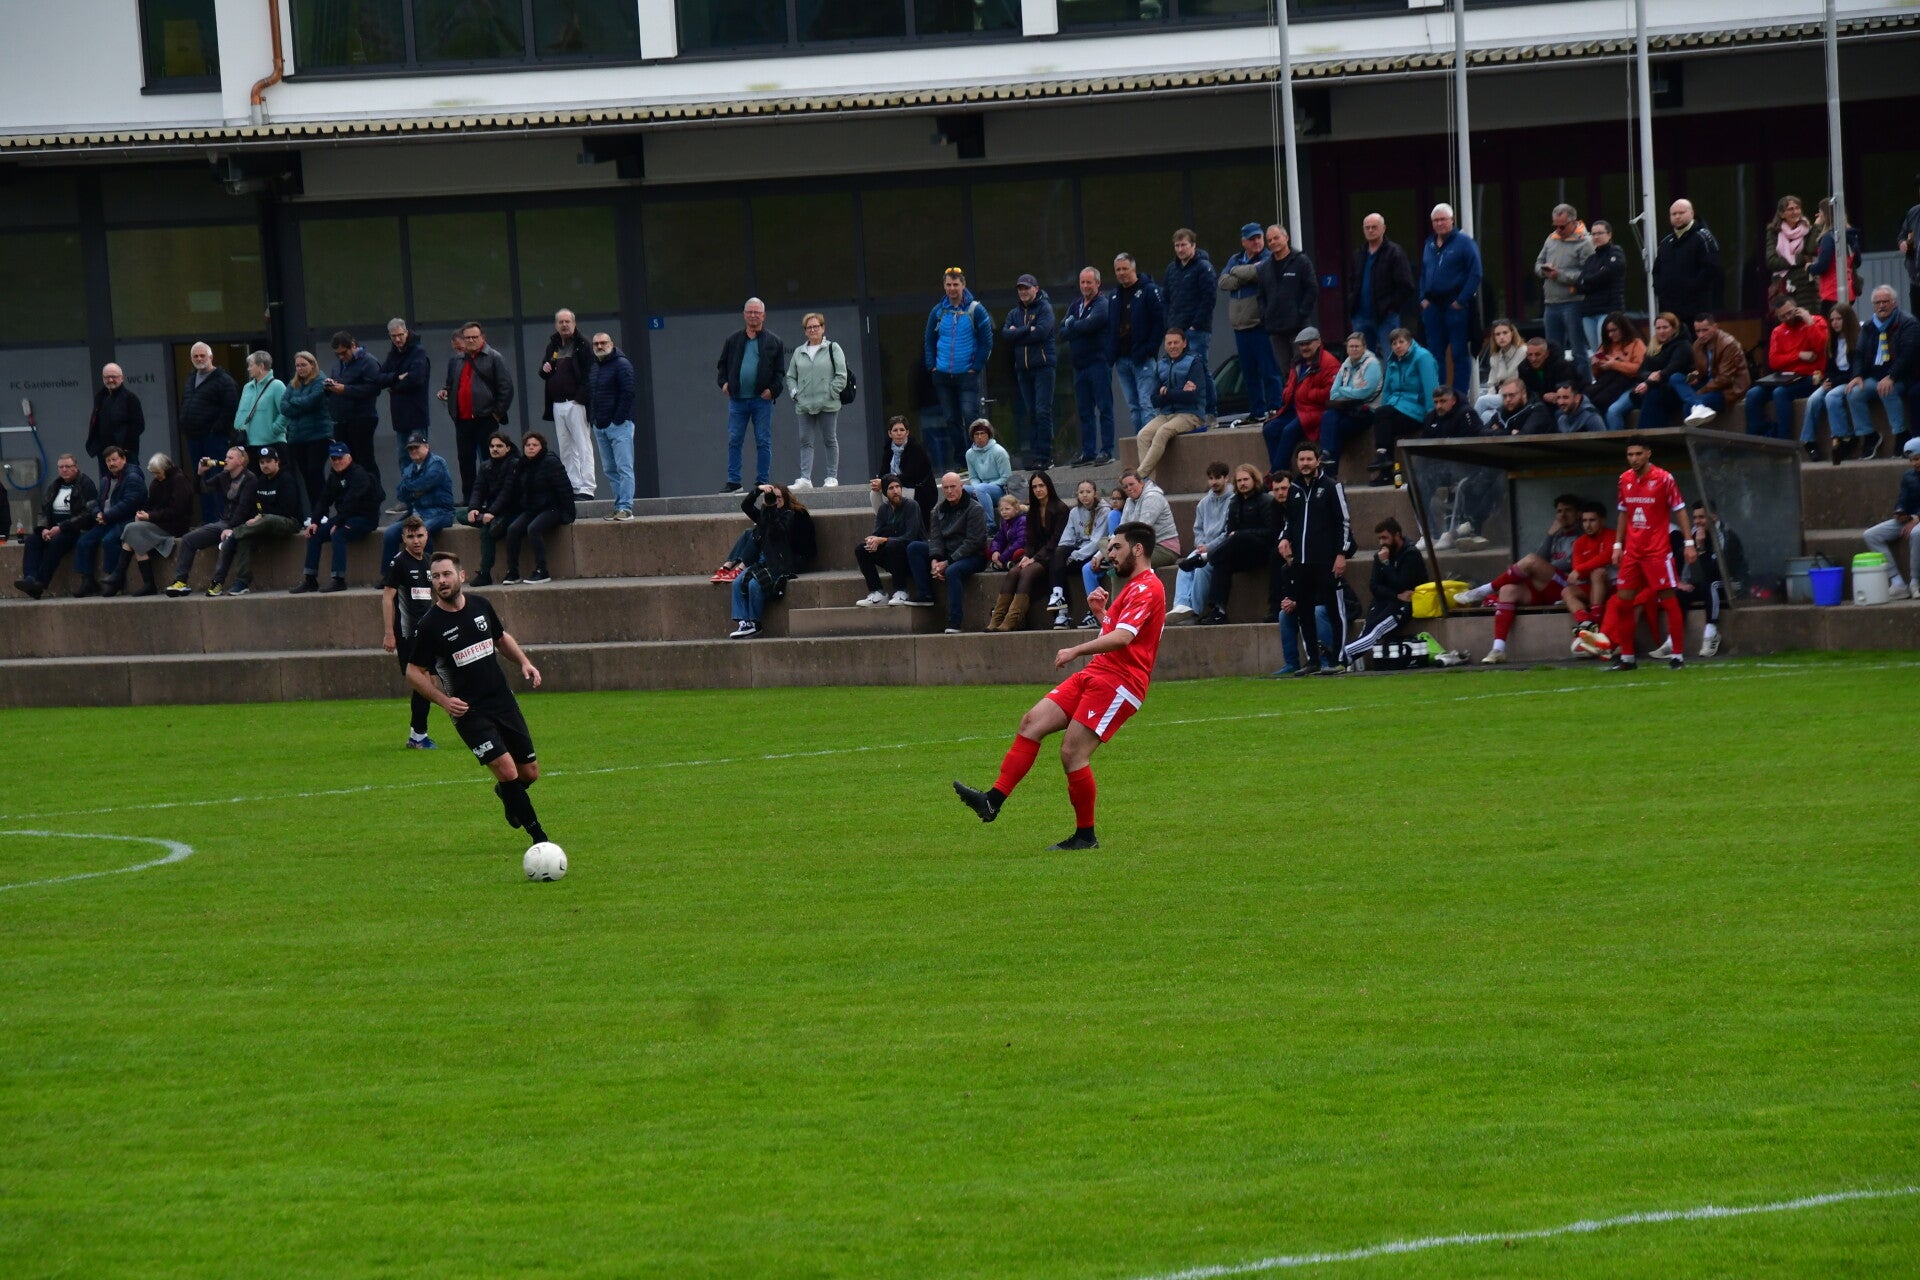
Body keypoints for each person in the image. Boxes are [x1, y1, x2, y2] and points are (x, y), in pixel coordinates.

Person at [952, 520, 1167, 851]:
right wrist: (1101, 613)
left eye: (1116, 547)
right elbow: (1117, 633)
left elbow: (1124, 639)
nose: (1110, 554)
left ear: (1138, 549)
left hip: (1120, 683)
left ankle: (1085, 836)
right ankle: (992, 801)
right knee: (1031, 722)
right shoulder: (1132, 587)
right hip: (1099, 673)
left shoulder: (1148, 588)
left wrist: (1075, 649)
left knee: (1072, 753)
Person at [405, 551, 553, 848]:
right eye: (435, 576)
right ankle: (540, 840)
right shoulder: (430, 625)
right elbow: (413, 671)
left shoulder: (481, 606)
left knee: (529, 773)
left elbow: (501, 638)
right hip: (468, 712)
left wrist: (524, 662)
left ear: (461, 576)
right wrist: (444, 701)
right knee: (507, 770)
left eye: (446, 574)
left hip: (502, 700)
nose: (441, 581)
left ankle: (507, 793)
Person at [1580, 439, 1696, 671]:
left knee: (1669, 600)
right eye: (1630, 454)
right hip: (1632, 552)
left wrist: (1689, 542)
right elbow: (1623, 513)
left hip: (1657, 552)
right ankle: (1627, 658)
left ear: (1648, 454)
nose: (1633, 459)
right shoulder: (1624, 479)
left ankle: (1677, 656)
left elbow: (1680, 510)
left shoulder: (1664, 478)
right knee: (1623, 603)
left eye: (1638, 454)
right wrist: (1617, 545)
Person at [1455, 493, 1582, 662]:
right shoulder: (1556, 536)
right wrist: (1550, 535)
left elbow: (1564, 564)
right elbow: (1541, 558)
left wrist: (1542, 567)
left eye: (1568, 510)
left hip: (1566, 587)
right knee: (1507, 590)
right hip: (1545, 587)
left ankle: (1486, 589)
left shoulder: (1582, 535)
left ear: (1578, 514)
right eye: (1559, 511)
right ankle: (1498, 649)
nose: (1563, 515)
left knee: (1531, 561)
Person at [1275, 442, 1354, 671]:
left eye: (1309, 459)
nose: (1305, 463)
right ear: (1297, 462)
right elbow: (1289, 521)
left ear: (1317, 460)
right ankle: (1313, 661)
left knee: (1334, 610)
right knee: (1305, 612)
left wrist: (1341, 553)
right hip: (1301, 562)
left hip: (1327, 560)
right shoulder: (1294, 489)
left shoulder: (1331, 486)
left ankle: (1339, 660)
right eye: (1301, 460)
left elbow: (1344, 522)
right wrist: (1284, 538)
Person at [207, 446, 307, 596]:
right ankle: (242, 582)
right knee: (245, 537)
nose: (265, 465)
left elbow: (288, 509)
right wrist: (257, 517)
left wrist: (261, 516)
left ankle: (234, 535)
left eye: (268, 461)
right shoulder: (260, 481)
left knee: (267, 519)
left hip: (288, 522)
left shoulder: (287, 479)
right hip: (263, 524)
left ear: (277, 462)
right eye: (262, 462)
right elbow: (257, 506)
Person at [1338, 517, 1433, 666]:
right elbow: (1374, 586)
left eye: (1385, 538)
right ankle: (1344, 660)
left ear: (1397, 535)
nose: (1381, 542)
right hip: (1385, 600)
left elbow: (1401, 584)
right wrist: (1395, 594)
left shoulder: (1411, 554)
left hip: (1404, 605)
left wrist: (1386, 564)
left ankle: (1339, 657)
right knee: (1366, 631)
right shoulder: (1381, 555)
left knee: (1375, 632)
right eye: (1379, 539)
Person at [292, 441, 383, 594]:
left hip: (364, 518)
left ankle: (339, 579)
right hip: (345, 516)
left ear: (349, 458)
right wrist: (315, 522)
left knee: (338, 534)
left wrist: (340, 522)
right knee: (314, 534)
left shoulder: (359, 474)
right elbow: (324, 499)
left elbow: (353, 501)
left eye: (340, 458)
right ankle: (310, 579)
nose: (337, 461)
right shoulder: (334, 476)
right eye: (334, 458)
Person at [163, 447, 257, 596]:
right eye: (226, 457)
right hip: (224, 522)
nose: (226, 460)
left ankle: (217, 583)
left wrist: (231, 527)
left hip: (242, 524)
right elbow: (201, 490)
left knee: (226, 542)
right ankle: (181, 582)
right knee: (188, 539)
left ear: (241, 461)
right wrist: (200, 473)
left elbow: (243, 508)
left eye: (230, 458)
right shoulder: (224, 476)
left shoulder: (250, 479)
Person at [726, 483, 815, 638]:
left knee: (754, 584)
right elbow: (746, 506)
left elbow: (776, 530)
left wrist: (770, 509)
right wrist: (757, 491)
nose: (776, 500)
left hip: (779, 562)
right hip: (763, 560)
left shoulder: (789, 515)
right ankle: (744, 622)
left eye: (779, 497)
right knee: (737, 583)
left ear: (785, 498)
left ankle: (755, 623)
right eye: (773, 497)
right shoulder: (764, 514)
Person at [924, 269, 993, 467]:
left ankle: (978, 459)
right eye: (948, 285)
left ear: (963, 285)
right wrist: (932, 366)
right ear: (944, 286)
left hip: (967, 375)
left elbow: (987, 342)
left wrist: (976, 367)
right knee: (951, 419)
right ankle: (962, 461)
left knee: (970, 416)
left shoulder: (976, 310)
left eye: (956, 284)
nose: (952, 288)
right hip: (943, 375)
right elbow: (929, 340)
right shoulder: (938, 311)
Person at [439, 322, 515, 502]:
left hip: (485, 418)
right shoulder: (457, 360)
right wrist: (446, 394)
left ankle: (492, 498)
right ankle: (469, 499)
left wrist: (496, 414)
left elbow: (506, 388)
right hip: (462, 420)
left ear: (482, 338)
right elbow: (451, 384)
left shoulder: (494, 357)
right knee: (465, 461)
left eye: (475, 337)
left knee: (490, 459)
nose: (471, 340)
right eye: (467, 338)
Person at [715, 298, 785, 492]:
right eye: (750, 312)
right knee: (734, 440)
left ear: (764, 315)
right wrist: (724, 383)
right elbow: (722, 364)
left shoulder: (774, 341)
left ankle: (762, 482)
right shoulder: (733, 340)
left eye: (757, 312)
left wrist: (773, 391)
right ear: (744, 315)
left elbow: (779, 372)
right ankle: (734, 482)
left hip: (762, 401)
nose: (753, 315)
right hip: (737, 400)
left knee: (763, 441)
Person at [383, 516, 439, 750]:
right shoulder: (399, 563)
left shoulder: (429, 561)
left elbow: (434, 596)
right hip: (408, 633)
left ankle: (417, 735)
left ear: (427, 536)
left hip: (428, 633)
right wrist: (389, 633)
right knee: (423, 682)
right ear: (403, 538)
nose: (416, 541)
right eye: (411, 536)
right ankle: (418, 736)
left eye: (420, 536)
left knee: (430, 683)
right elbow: (388, 597)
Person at [1195, 462, 1275, 625]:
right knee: (1222, 561)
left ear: (1254, 480)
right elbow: (1230, 532)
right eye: (1239, 481)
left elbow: (1272, 532)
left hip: (1263, 550)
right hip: (1243, 552)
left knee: (1237, 537)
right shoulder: (1235, 503)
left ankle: (1207, 557)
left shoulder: (1266, 500)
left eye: (1246, 479)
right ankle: (1218, 611)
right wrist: (1238, 536)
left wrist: (1243, 534)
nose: (1242, 483)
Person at [1219, 223, 1283, 420]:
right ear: (1243, 242)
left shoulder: (1268, 257)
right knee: (1249, 373)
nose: (1257, 242)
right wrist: (1244, 273)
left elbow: (1259, 273)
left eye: (1259, 237)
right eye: (1252, 239)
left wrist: (1236, 272)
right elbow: (1223, 282)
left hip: (1259, 324)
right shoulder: (1235, 258)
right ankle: (1257, 412)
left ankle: (1276, 408)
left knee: (1269, 370)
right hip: (1240, 326)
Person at [996, 471, 1073, 632]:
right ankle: (997, 617)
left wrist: (1035, 558)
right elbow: (1030, 540)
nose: (1038, 490)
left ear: (1048, 486)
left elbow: (1056, 540)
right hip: (1036, 554)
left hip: (1054, 555)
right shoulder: (1033, 510)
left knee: (1027, 572)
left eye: (1041, 485)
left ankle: (1013, 618)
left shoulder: (1061, 508)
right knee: (1014, 571)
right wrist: (1026, 556)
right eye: (1034, 487)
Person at [1418, 203, 1483, 393]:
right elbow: (1423, 273)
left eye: (1443, 219)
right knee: (1434, 354)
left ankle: (1460, 397)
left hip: (1455, 305)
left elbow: (1476, 273)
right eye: (1436, 220)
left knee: (1459, 353)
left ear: (1452, 220)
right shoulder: (1429, 244)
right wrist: (1422, 298)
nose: (1439, 223)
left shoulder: (1464, 243)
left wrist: (1461, 300)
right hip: (1432, 306)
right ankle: (1439, 396)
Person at [12, 455, 96, 598]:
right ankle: (30, 578)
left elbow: (88, 513)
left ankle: (40, 582)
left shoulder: (85, 484)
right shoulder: (55, 485)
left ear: (76, 467)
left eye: (68, 466)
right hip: (52, 528)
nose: (64, 470)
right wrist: (43, 528)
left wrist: (62, 527)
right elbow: (44, 510)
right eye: (61, 467)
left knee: (56, 542)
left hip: (74, 529)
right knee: (32, 540)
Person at [782, 312, 849, 490]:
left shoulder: (833, 348)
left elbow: (841, 375)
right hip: (804, 405)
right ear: (805, 331)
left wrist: (831, 392)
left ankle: (832, 477)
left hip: (828, 404)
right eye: (809, 327)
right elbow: (790, 376)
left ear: (823, 328)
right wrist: (795, 393)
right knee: (805, 441)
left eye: (816, 326)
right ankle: (805, 479)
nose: (812, 330)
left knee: (830, 440)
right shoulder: (799, 352)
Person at [1847, 285, 1918, 455]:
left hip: (1901, 376)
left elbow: (1907, 355)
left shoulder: (1907, 323)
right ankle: (1869, 435)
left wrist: (1891, 376)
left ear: (1894, 303)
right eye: (1877, 303)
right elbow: (1859, 353)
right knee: (1854, 393)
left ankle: (1901, 434)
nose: (1881, 306)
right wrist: (1857, 375)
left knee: (1886, 389)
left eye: (1885, 301)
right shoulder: (1869, 325)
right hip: (1874, 375)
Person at [916, 472, 989, 635]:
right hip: (947, 553)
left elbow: (973, 542)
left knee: (952, 571)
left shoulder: (975, 509)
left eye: (953, 487)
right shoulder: (938, 510)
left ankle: (954, 621)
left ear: (961, 486)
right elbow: (935, 538)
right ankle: (924, 594)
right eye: (946, 488)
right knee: (915, 547)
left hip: (973, 556)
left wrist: (947, 562)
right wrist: (935, 559)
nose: (949, 491)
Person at [1745, 295, 1827, 440]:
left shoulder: (1816, 321)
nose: (1788, 318)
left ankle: (1785, 439)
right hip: (1785, 377)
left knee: (1780, 393)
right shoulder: (1778, 331)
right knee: (1753, 394)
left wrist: (1809, 322)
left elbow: (1820, 346)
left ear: (1797, 308)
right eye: (1782, 316)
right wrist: (1799, 355)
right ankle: (1757, 437)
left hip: (1810, 376)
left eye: (1790, 313)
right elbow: (1774, 361)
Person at [175, 342, 240, 523]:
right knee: (200, 478)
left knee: (217, 477)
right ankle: (207, 520)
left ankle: (220, 520)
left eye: (202, 355)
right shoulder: (190, 378)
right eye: (195, 356)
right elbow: (185, 402)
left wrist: (215, 429)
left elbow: (231, 408)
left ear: (211, 357)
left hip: (214, 438)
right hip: (193, 437)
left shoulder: (224, 380)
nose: (199, 359)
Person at [1135, 328, 1211, 480]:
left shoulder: (1194, 362)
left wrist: (1167, 392)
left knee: (1163, 432)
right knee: (1143, 435)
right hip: (1166, 414)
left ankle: (1139, 477)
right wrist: (1178, 393)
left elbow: (1191, 397)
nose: (1172, 346)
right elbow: (1154, 400)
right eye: (1169, 343)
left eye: (1176, 342)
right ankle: (1149, 485)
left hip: (1190, 414)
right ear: (1165, 345)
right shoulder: (1161, 364)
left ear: (1184, 343)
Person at [70, 445, 146, 597]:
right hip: (106, 520)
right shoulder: (106, 480)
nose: (111, 463)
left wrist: (106, 516)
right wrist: (98, 513)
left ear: (123, 459)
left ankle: (114, 581)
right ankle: (87, 581)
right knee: (84, 541)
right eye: (108, 461)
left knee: (110, 540)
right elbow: (97, 502)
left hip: (127, 520)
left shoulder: (132, 477)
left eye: (114, 460)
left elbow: (129, 504)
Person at [116, 453, 195, 597]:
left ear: (166, 469)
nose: (156, 476)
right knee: (134, 534)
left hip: (174, 525)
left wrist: (150, 516)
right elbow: (151, 503)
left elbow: (177, 510)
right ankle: (141, 581)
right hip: (159, 522)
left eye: (158, 473)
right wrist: (143, 513)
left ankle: (120, 575)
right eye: (153, 473)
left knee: (131, 529)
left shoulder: (179, 481)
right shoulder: (156, 483)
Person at [501, 432, 575, 586]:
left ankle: (542, 571)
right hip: (532, 508)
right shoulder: (522, 464)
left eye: (535, 445)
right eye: (528, 445)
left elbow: (564, 488)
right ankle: (513, 572)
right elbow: (514, 490)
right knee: (513, 530)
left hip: (552, 507)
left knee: (533, 529)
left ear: (542, 447)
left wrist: (568, 513)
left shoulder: (550, 462)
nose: (531, 448)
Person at [1262, 327, 1339, 473]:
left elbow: (1332, 393)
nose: (1304, 348)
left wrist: (1308, 393)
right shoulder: (1297, 362)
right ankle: (1283, 472)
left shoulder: (1329, 362)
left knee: (1288, 431)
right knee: (1269, 429)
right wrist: (1287, 393)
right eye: (1301, 344)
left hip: (1315, 411)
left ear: (1318, 342)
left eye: (1308, 343)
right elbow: (1289, 385)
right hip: (1294, 409)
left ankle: (1276, 473)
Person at [538, 309, 596, 501]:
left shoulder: (583, 344)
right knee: (566, 448)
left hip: (576, 403)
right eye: (561, 322)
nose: (564, 325)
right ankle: (573, 485)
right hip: (557, 404)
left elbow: (590, 373)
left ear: (574, 323)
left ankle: (587, 487)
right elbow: (544, 372)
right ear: (556, 325)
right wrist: (545, 368)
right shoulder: (553, 345)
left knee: (583, 445)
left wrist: (580, 398)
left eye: (567, 321)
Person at [1370, 327, 1441, 483]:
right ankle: (1386, 472)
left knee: (1383, 416)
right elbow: (1387, 389)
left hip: (1417, 410)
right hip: (1396, 408)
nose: (1397, 346)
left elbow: (1431, 388)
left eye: (1401, 342)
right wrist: (1384, 408)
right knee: (1383, 420)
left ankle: (1382, 455)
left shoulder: (1422, 357)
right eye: (1394, 343)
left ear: (1409, 342)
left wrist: (1432, 416)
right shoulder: (1393, 360)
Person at [1060, 267, 1115, 464]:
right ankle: (1088, 451)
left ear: (1097, 283)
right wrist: (1077, 326)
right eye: (1082, 282)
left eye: (1089, 282)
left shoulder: (1102, 303)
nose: (1085, 286)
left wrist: (1073, 325)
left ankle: (1107, 450)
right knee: (1084, 411)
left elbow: (1093, 324)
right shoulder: (1075, 305)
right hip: (1079, 366)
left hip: (1098, 363)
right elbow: (1062, 331)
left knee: (1104, 408)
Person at [1107, 253, 1166, 434]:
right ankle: (1141, 444)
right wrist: (1112, 353)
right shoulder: (1114, 295)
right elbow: (1111, 327)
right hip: (1122, 360)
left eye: (1125, 268)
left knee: (1147, 404)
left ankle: (1150, 444)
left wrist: (1149, 349)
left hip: (1143, 359)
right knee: (1133, 408)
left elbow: (1160, 323)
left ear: (1133, 268)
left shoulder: (1149, 290)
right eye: (1118, 269)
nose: (1121, 273)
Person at [1003, 275, 1058, 468]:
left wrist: (1017, 332)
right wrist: (1028, 329)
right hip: (1023, 370)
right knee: (1032, 413)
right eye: (1020, 288)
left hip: (1043, 367)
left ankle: (1046, 456)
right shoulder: (1014, 313)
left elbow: (1041, 333)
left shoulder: (1045, 308)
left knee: (1043, 412)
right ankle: (1035, 457)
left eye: (1026, 288)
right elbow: (1006, 336)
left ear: (1036, 288)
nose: (1023, 291)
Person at [1167, 461, 1231, 624]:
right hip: (1203, 547)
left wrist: (1208, 547)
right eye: (1211, 478)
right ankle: (1180, 608)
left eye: (1218, 478)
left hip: (1221, 548)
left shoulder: (1233, 501)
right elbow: (1198, 529)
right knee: (1184, 566)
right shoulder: (1203, 503)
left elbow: (1227, 533)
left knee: (1202, 569)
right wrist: (1201, 545)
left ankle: (1194, 612)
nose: (1214, 482)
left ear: (1226, 478)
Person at [1163, 230, 1218, 422]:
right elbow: (1166, 299)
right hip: (1176, 330)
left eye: (1183, 245)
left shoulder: (1203, 267)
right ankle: (1187, 412)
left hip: (1197, 331)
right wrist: (1169, 325)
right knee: (1179, 372)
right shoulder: (1171, 269)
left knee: (1200, 371)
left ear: (1193, 245)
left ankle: (1210, 412)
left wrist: (1196, 324)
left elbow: (1209, 298)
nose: (1180, 249)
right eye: (1177, 245)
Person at [854, 473, 932, 607]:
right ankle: (877, 592)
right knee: (861, 549)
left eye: (897, 487)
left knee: (892, 545)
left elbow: (910, 537)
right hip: (892, 557)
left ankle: (901, 591)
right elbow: (877, 532)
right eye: (891, 488)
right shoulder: (884, 509)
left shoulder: (912, 505)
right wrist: (872, 540)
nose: (896, 491)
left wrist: (884, 539)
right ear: (885, 492)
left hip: (911, 557)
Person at [383, 432, 455, 571]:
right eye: (410, 448)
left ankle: (427, 572)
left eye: (417, 447)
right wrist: (415, 491)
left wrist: (412, 489)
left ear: (426, 447)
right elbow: (401, 494)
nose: (413, 451)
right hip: (416, 514)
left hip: (440, 513)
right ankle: (389, 576)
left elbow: (425, 483)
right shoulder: (409, 468)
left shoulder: (437, 463)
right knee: (390, 534)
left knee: (420, 532)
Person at [1609, 312, 1694, 431]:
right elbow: (1641, 372)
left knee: (1653, 396)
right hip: (1647, 387)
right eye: (1658, 328)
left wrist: (1651, 381)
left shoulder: (1683, 346)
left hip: (1673, 389)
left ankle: (1643, 435)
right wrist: (1651, 376)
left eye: (1665, 327)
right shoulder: (1652, 347)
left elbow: (1672, 370)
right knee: (1614, 410)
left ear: (1674, 328)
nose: (1661, 331)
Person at [1347, 212, 1416, 357]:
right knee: (1362, 360)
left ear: (1383, 228)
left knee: (1392, 357)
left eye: (1374, 227)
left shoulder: (1394, 253)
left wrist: (1391, 307)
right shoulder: (1359, 254)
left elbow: (1406, 285)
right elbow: (1352, 281)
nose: (1370, 230)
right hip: (1361, 316)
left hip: (1386, 317)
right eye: (1367, 227)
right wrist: (1352, 303)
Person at [1679, 502, 1744, 657]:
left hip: (1732, 583)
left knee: (1711, 585)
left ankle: (1711, 632)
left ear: (1713, 517)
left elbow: (1716, 572)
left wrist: (1701, 547)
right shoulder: (1695, 533)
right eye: (1695, 518)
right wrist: (1682, 582)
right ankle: (1673, 640)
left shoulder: (1724, 535)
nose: (1697, 522)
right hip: (1709, 583)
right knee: (1680, 592)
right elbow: (1688, 562)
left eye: (1701, 517)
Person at [1535, 202, 1594, 369]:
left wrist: (1559, 275)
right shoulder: (1551, 238)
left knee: (1578, 350)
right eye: (1555, 226)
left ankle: (1583, 383)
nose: (1558, 230)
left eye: (1562, 226)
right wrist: (1543, 271)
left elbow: (1588, 273)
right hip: (1551, 302)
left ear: (1573, 222)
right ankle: (1558, 382)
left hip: (1573, 302)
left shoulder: (1585, 242)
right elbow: (1538, 263)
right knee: (1553, 351)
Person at [1256, 224, 1318, 377]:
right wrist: (1265, 316)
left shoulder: (1301, 261)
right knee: (1286, 372)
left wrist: (1301, 313)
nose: (1273, 242)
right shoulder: (1264, 267)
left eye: (1276, 238)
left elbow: (1312, 289)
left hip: (1298, 328)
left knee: (1303, 369)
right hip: (1276, 329)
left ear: (1286, 238)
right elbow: (1261, 296)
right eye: (1269, 240)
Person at [1667, 313, 1751, 427]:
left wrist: (1700, 392)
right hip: (1710, 383)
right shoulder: (1698, 345)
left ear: (1715, 327)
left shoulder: (1728, 344)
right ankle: (1698, 406)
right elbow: (1702, 370)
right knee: (1675, 378)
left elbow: (1725, 379)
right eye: (1697, 331)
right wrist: (1695, 376)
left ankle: (1694, 435)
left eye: (1705, 330)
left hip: (1729, 389)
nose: (1701, 335)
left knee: (1689, 405)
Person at [586, 332, 635, 520]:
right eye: (596, 343)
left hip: (619, 426)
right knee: (610, 470)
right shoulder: (595, 366)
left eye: (603, 343)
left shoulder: (622, 364)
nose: (599, 346)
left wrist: (617, 420)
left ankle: (626, 508)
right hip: (600, 426)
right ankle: (618, 506)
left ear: (611, 344)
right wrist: (594, 419)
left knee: (624, 468)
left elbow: (628, 393)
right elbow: (592, 394)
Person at [325, 331, 385, 485]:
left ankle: (373, 492)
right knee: (345, 461)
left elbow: (374, 388)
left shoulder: (368, 362)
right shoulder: (339, 364)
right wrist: (330, 386)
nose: (341, 357)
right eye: (337, 354)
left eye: (343, 353)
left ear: (353, 345)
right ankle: (352, 493)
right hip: (341, 419)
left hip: (362, 418)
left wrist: (345, 389)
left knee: (364, 460)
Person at [1863, 437, 1920, 599]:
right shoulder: (1908, 476)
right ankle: (1897, 583)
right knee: (1871, 535)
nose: (1914, 463)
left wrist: (1917, 518)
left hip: (1917, 520)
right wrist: (1900, 512)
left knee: (1916, 533)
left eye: (1917, 458)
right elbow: (1903, 498)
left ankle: (1915, 582)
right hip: (1910, 518)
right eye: (1911, 460)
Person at [276, 351, 334, 507]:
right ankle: (314, 512)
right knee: (306, 475)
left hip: (318, 435)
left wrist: (294, 402)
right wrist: (300, 405)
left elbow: (311, 402)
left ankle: (322, 511)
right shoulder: (293, 383)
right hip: (297, 437)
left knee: (315, 473)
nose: (300, 368)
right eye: (297, 366)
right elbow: (283, 407)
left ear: (312, 365)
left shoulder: (320, 381)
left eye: (303, 365)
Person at [1808, 303, 1865, 462]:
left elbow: (1855, 370)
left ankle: (1844, 437)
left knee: (1831, 396)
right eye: (1832, 320)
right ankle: (1808, 440)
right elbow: (1830, 368)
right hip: (1835, 381)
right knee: (1813, 399)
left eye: (1839, 319)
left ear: (1847, 319)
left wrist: (1833, 382)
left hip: (1850, 380)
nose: (1835, 323)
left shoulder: (1857, 338)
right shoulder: (1832, 340)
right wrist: (1826, 380)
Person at [378, 318, 432, 482]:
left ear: (406, 332)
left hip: (416, 414)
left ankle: (422, 490)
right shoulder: (393, 354)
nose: (397, 339)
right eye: (393, 336)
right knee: (404, 457)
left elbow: (416, 379)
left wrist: (394, 387)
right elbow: (379, 378)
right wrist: (397, 377)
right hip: (399, 416)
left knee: (420, 456)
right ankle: (408, 492)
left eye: (400, 335)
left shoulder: (418, 352)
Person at [464, 433, 521, 587]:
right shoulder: (485, 466)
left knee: (486, 529)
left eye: (499, 446)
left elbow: (507, 493)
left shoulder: (515, 464)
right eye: (492, 446)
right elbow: (478, 489)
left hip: (511, 512)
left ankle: (485, 573)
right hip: (491, 511)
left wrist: (491, 513)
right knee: (461, 515)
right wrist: (474, 508)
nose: (495, 449)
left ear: (507, 448)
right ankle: (484, 519)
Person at [1651, 199, 1721, 325]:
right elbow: (1657, 271)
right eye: (1674, 214)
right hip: (1670, 311)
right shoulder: (1666, 243)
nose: (1677, 216)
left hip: (1696, 309)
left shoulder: (1703, 237)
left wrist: (1691, 290)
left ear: (1692, 213)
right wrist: (1662, 292)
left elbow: (1710, 268)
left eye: (1681, 213)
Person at [1321, 331, 1383, 468]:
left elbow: (1364, 393)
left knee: (1336, 428)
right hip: (1347, 409)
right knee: (1329, 415)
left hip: (1367, 411)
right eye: (1351, 346)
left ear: (1364, 347)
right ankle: (1326, 454)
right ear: (1346, 348)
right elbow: (1333, 394)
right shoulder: (1345, 364)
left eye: (1357, 346)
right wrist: (1352, 391)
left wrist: (1343, 389)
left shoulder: (1372, 364)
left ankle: (1330, 467)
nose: (1354, 349)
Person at [1574, 220, 1629, 355]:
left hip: (1608, 310)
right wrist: (1593, 279)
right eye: (1593, 234)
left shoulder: (1616, 254)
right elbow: (1579, 285)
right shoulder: (1591, 259)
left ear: (1609, 234)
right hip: (1589, 312)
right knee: (1597, 353)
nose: (1596, 237)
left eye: (1600, 233)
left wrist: (1588, 280)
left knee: (1607, 349)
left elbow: (1606, 275)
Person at [1059, 479, 1109, 627]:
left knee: (1085, 568)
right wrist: (1061, 553)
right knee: (1056, 563)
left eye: (1088, 492)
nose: (1085, 495)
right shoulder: (1075, 512)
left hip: (1096, 551)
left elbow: (1096, 541)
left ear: (1095, 493)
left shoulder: (1104, 511)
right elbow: (1067, 537)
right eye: (1081, 492)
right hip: (1080, 550)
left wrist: (1074, 556)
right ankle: (1061, 611)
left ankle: (1094, 611)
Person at [1562, 501, 1616, 632]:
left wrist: (1581, 569)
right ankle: (1586, 623)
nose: (1587, 525)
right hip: (1592, 588)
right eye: (1584, 521)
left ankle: (1595, 621)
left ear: (1602, 520)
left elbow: (1607, 556)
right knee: (1567, 591)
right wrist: (1581, 570)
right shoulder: (1579, 542)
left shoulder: (1612, 535)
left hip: (1614, 587)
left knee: (1597, 572)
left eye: (1592, 520)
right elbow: (1579, 573)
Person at [872, 415, 936, 522]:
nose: (899, 433)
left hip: (918, 490)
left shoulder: (915, 448)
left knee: (888, 491)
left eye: (902, 430)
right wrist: (879, 483)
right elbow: (883, 473)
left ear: (907, 432)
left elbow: (910, 477)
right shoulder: (888, 449)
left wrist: (885, 482)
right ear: (890, 433)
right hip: (898, 487)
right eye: (895, 430)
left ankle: (895, 523)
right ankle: (883, 523)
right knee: (874, 493)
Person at [85, 363, 144, 478]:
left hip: (125, 454)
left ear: (122, 378)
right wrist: (95, 446)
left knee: (130, 481)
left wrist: (125, 448)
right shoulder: (100, 397)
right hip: (104, 453)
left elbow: (138, 425)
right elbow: (95, 423)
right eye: (107, 377)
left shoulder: (130, 398)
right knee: (107, 483)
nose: (110, 380)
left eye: (114, 377)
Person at [1764, 195, 1819, 315]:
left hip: (1806, 287)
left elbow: (1811, 251)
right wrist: (1799, 259)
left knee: (1809, 319)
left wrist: (1816, 227)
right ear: (1782, 214)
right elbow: (1771, 261)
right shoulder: (1774, 232)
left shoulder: (1807, 229)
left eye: (1797, 208)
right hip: (1784, 287)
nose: (1795, 212)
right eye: (1790, 209)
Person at [1587, 313, 1647, 415]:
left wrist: (1614, 364)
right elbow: (1597, 376)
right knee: (1589, 397)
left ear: (1623, 329)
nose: (1610, 335)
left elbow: (1639, 368)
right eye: (1608, 332)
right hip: (1607, 382)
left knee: (1609, 408)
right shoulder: (1606, 345)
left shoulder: (1636, 343)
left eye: (1614, 330)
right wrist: (1595, 365)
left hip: (1629, 382)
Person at [1811, 198, 1863, 310]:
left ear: (1825, 214)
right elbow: (1857, 262)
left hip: (1831, 292)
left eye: (1820, 212)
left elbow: (1823, 265)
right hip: (1849, 291)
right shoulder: (1851, 235)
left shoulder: (1828, 237)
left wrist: (1809, 268)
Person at [1474, 319, 1529, 421]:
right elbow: (1491, 383)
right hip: (1500, 395)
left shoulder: (1523, 351)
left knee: (1482, 401)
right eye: (1497, 334)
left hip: (1517, 395)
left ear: (1512, 333)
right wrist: (1491, 401)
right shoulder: (1495, 356)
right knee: (1486, 415)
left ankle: (1470, 429)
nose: (1501, 337)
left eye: (1505, 333)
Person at [234, 351, 286, 458]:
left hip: (272, 443)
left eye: (251, 365)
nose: (248, 369)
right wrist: (238, 429)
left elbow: (286, 412)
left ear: (261, 366)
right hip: (248, 443)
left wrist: (275, 429)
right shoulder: (247, 387)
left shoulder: (277, 385)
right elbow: (241, 412)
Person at [963, 419, 1013, 530]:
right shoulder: (969, 454)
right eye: (976, 434)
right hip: (980, 489)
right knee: (960, 489)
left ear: (989, 435)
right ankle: (965, 525)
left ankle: (990, 525)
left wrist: (983, 487)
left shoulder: (999, 451)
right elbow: (973, 477)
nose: (979, 437)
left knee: (982, 489)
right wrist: (976, 488)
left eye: (983, 433)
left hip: (1000, 490)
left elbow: (1006, 478)